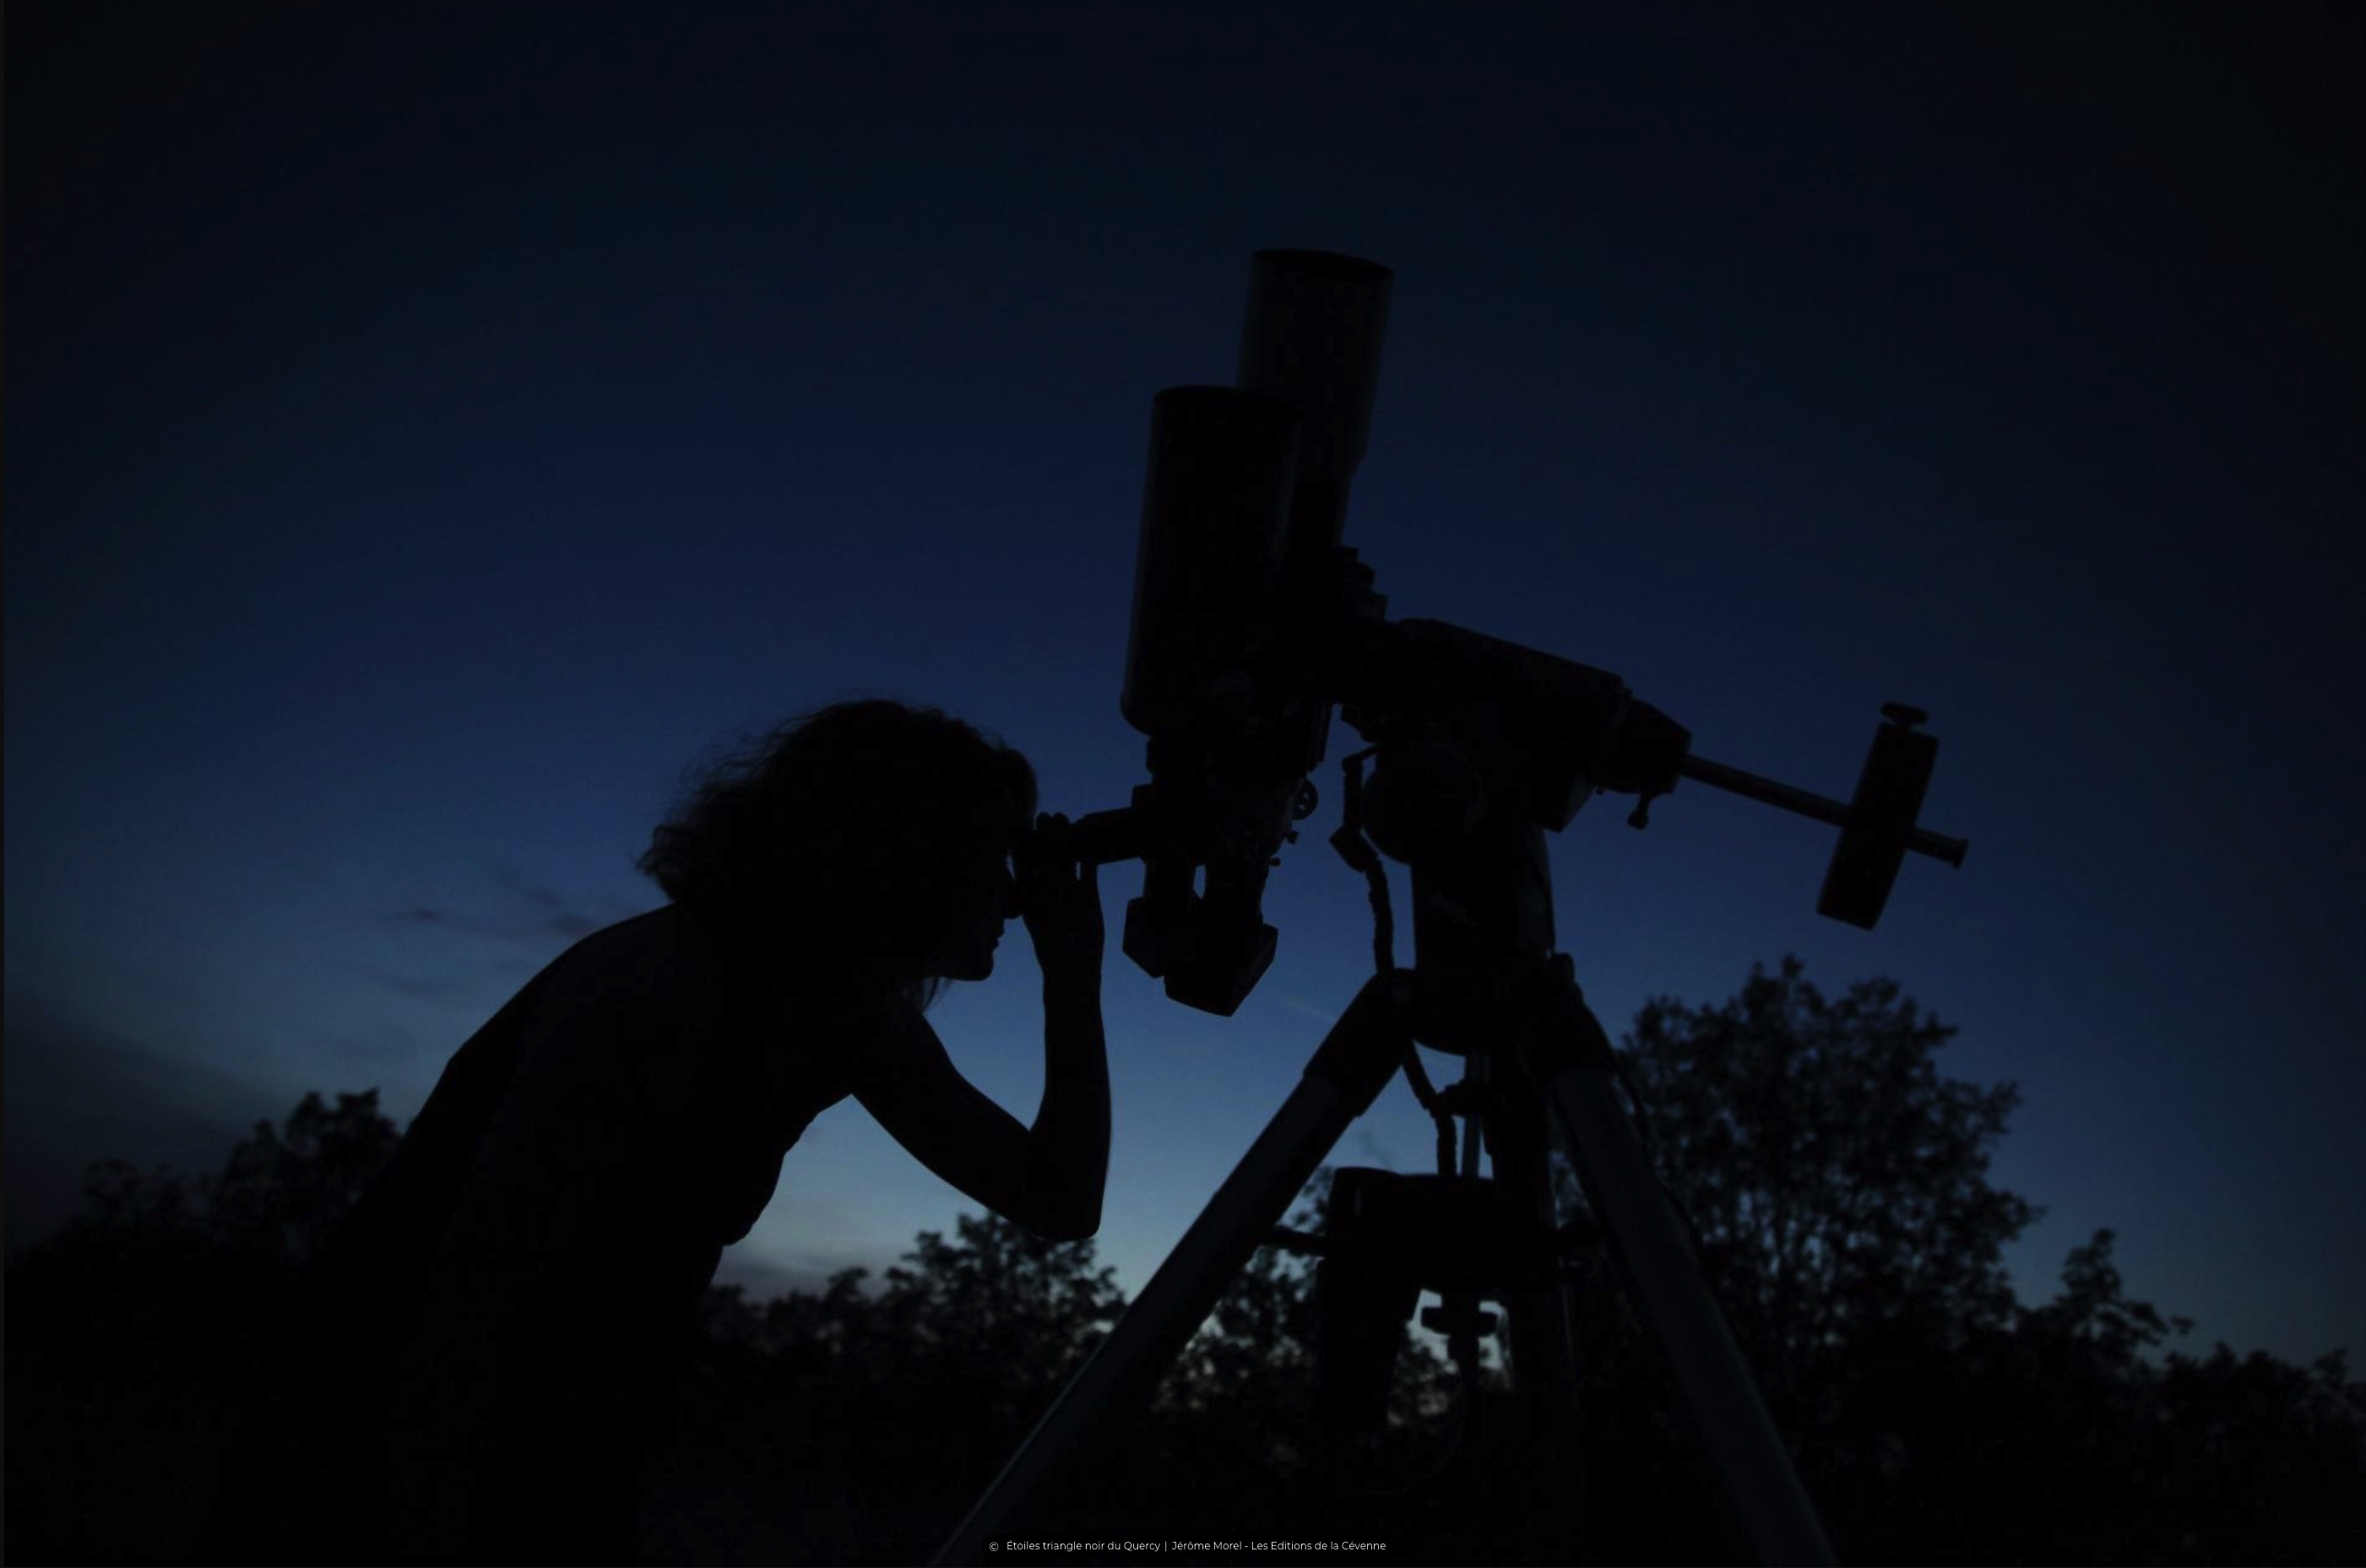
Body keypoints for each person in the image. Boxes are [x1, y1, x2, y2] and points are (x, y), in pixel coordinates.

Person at [197, 698, 1108, 1565]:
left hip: (565, 1421)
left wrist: (1073, 980)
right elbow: (472, 1300)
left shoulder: (847, 1015)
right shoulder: (660, 989)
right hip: (386, 1422)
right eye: (992, 855)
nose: (1013, 892)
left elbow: (1057, 1200)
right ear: (909, 853)